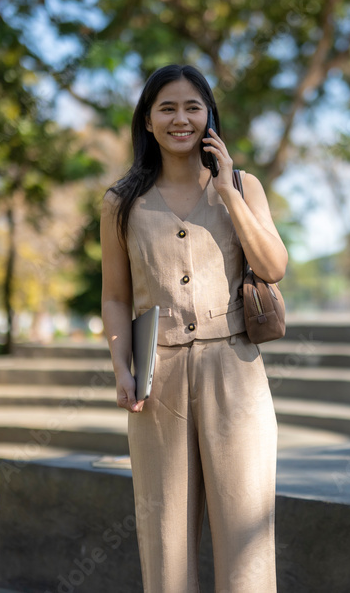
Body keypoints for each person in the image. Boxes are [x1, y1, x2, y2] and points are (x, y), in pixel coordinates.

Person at [100, 63, 287, 592]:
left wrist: (227, 192)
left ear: (209, 116)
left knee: (246, 532)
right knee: (165, 540)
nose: (180, 119)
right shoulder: (121, 203)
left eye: (192, 107)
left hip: (236, 371)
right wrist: (123, 368)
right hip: (159, 379)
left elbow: (272, 266)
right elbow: (114, 297)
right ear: (148, 119)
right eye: (167, 107)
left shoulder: (244, 185)